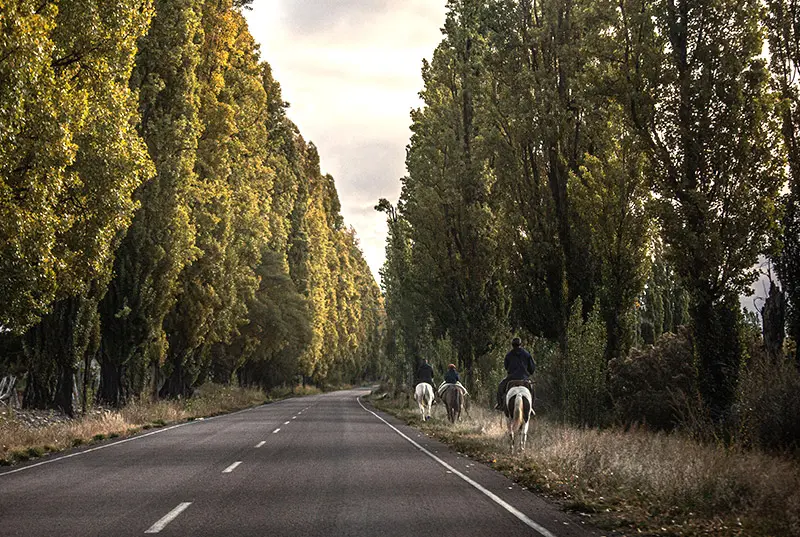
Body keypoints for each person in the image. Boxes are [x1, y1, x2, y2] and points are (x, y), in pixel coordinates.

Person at [495, 337, 536, 411]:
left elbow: (506, 367)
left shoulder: (508, 355)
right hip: (524, 378)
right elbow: (532, 368)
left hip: (511, 378)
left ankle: (500, 404)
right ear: (520, 344)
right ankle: (531, 407)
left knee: (500, 387)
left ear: (512, 345)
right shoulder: (527, 354)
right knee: (532, 391)